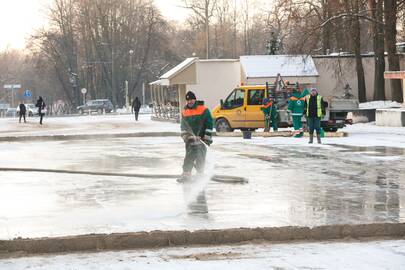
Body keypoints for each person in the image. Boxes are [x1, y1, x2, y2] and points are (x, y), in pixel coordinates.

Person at [179, 91, 213, 182]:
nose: (189, 102)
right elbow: (183, 127)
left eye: (191, 100)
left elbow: (209, 124)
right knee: (189, 155)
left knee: (200, 156)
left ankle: (199, 174)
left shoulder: (203, 110)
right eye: (188, 100)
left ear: (195, 99)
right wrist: (186, 137)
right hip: (190, 139)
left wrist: (205, 138)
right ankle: (186, 173)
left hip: (202, 139)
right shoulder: (185, 112)